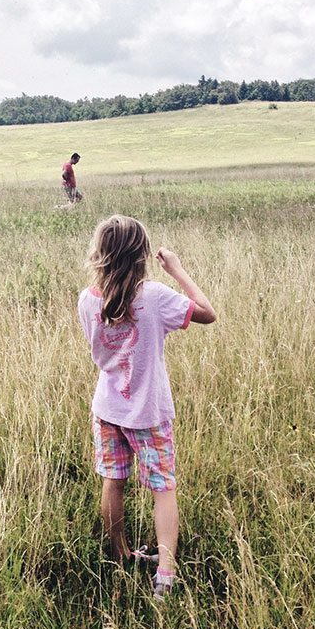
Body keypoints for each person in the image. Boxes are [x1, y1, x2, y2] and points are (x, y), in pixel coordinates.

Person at [77, 215, 215, 600]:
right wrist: (177, 270)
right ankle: (165, 574)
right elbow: (207, 312)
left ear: (100, 254)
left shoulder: (88, 299)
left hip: (108, 409)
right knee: (163, 488)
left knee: (113, 481)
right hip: (148, 413)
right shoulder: (154, 297)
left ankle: (121, 554)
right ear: (142, 255)